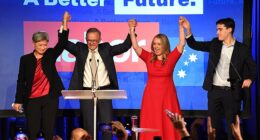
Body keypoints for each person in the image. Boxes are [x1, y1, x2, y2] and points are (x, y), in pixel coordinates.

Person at [180, 17, 257, 140]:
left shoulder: (242, 49)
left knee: (232, 128)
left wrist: (250, 79)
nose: (217, 32)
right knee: (214, 128)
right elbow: (194, 45)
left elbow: (254, 68)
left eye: (220, 29)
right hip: (214, 91)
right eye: (217, 29)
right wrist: (188, 30)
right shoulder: (215, 44)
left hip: (232, 93)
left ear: (229, 30)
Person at [64, 19, 136, 140]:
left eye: (95, 41)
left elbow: (124, 46)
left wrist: (131, 29)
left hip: (104, 92)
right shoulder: (80, 49)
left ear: (99, 39)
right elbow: (64, 43)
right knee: (88, 126)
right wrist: (64, 24)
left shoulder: (106, 49)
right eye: (89, 40)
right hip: (86, 93)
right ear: (86, 39)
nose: (92, 43)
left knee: (107, 126)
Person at [12, 12, 70, 139]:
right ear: (34, 43)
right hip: (32, 99)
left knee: (49, 131)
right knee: (33, 131)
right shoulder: (25, 59)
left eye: (45, 44)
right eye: (40, 45)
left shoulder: (50, 54)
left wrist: (64, 22)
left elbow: (62, 43)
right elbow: (21, 80)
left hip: (50, 98)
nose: (43, 48)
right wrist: (18, 100)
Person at [129, 17, 186, 139]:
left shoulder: (171, 58)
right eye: (154, 44)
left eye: (159, 44)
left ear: (165, 45)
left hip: (167, 98)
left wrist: (181, 27)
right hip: (151, 99)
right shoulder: (149, 57)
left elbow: (181, 43)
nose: (156, 46)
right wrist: (132, 29)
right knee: (152, 123)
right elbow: (135, 46)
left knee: (168, 124)